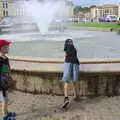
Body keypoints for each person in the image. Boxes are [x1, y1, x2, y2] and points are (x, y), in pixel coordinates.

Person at [62, 39, 80, 108]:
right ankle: (76, 95)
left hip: (68, 63)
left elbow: (66, 56)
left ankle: (66, 98)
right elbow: (74, 56)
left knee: (66, 82)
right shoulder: (74, 49)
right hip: (75, 63)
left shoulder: (66, 48)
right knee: (74, 81)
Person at [0, 39, 12, 119]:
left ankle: (7, 112)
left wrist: (10, 76)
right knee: (4, 100)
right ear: (2, 48)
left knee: (6, 99)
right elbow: (3, 72)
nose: (8, 48)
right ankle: (5, 116)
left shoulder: (5, 58)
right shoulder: (0, 60)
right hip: (1, 85)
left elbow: (6, 70)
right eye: (7, 46)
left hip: (5, 82)